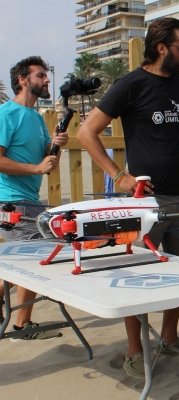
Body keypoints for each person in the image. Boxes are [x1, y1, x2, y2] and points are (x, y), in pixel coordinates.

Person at [76, 17, 179, 378]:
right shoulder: (130, 85)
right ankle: (135, 350)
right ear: (161, 47)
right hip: (144, 202)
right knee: (135, 278)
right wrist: (118, 175)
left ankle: (170, 337)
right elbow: (87, 132)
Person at [0, 56, 68, 339]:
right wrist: (35, 168)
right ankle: (21, 324)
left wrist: (56, 145)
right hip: (11, 200)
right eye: (40, 75)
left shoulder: (37, 118)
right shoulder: (7, 114)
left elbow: (47, 163)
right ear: (23, 80)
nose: (47, 80)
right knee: (34, 259)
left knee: (29, 260)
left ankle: (22, 323)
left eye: (46, 75)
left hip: (29, 199)